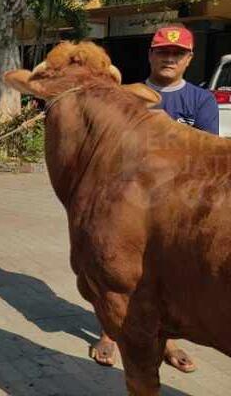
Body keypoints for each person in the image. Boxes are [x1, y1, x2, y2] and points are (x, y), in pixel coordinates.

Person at [90, 25, 219, 373]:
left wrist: (167, 128)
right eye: (162, 51)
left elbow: (207, 153)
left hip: (175, 207)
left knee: (165, 276)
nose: (169, 58)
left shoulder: (201, 100)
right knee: (114, 270)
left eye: (177, 54)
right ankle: (109, 333)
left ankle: (166, 340)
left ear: (189, 59)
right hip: (126, 204)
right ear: (150, 54)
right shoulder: (127, 96)